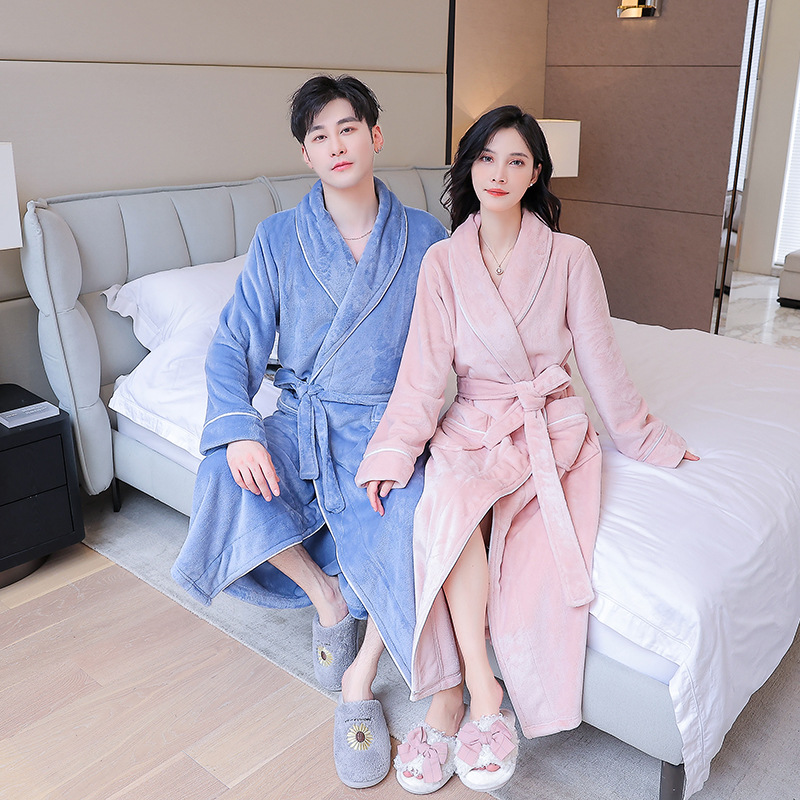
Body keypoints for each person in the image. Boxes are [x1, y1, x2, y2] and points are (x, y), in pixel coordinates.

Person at [356, 105, 698, 794]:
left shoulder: (571, 257)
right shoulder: (443, 262)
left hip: (549, 426)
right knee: (447, 508)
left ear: (536, 172)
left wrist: (645, 437)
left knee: (526, 546)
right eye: (486, 158)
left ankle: (454, 702)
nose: (499, 174)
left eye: (516, 161)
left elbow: (600, 364)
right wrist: (392, 451)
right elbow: (423, 373)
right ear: (469, 167)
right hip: (473, 422)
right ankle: (475, 693)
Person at [171, 74, 447, 789]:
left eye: (348, 128)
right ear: (306, 154)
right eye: (319, 136)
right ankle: (326, 596)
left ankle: (361, 678)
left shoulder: (426, 237)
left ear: (375, 136)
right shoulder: (277, 238)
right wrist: (240, 430)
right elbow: (233, 345)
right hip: (304, 418)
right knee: (221, 468)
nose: (336, 145)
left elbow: (452, 345)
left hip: (390, 425)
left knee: (414, 514)